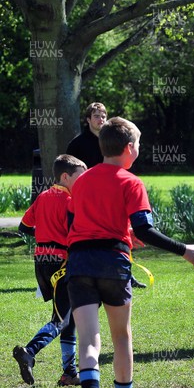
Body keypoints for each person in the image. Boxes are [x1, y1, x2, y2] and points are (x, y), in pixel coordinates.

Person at [66, 117, 194, 388]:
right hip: (112, 261)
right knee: (121, 337)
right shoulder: (131, 182)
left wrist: (124, 231)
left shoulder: (82, 180)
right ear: (129, 148)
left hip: (80, 262)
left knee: (87, 339)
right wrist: (184, 250)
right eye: (139, 145)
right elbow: (145, 229)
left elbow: (76, 221)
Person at [13, 154, 87, 386]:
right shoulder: (70, 202)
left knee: (69, 317)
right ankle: (29, 351)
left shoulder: (43, 196)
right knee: (60, 319)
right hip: (62, 264)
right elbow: (77, 235)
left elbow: (24, 226)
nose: (83, 182)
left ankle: (69, 373)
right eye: (80, 177)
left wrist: (45, 238)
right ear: (65, 176)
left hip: (42, 262)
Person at [67, 102, 146, 288]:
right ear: (88, 120)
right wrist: (182, 250)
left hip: (112, 189)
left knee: (122, 229)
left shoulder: (113, 140)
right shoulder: (78, 144)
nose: (101, 119)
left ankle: (126, 272)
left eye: (103, 116)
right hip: (90, 191)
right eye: (96, 116)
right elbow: (69, 168)